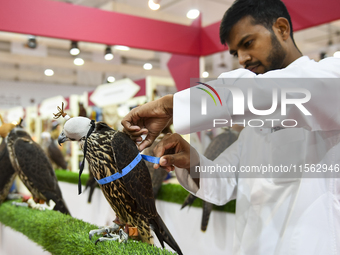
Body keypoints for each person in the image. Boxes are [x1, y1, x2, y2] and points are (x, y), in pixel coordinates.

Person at [122, 0, 340, 254]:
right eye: (236, 53)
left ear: (282, 29)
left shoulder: (330, 78)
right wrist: (192, 160)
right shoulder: (256, 121)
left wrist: (173, 105)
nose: (243, 59)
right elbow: (226, 181)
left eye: (248, 43)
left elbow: (272, 91)